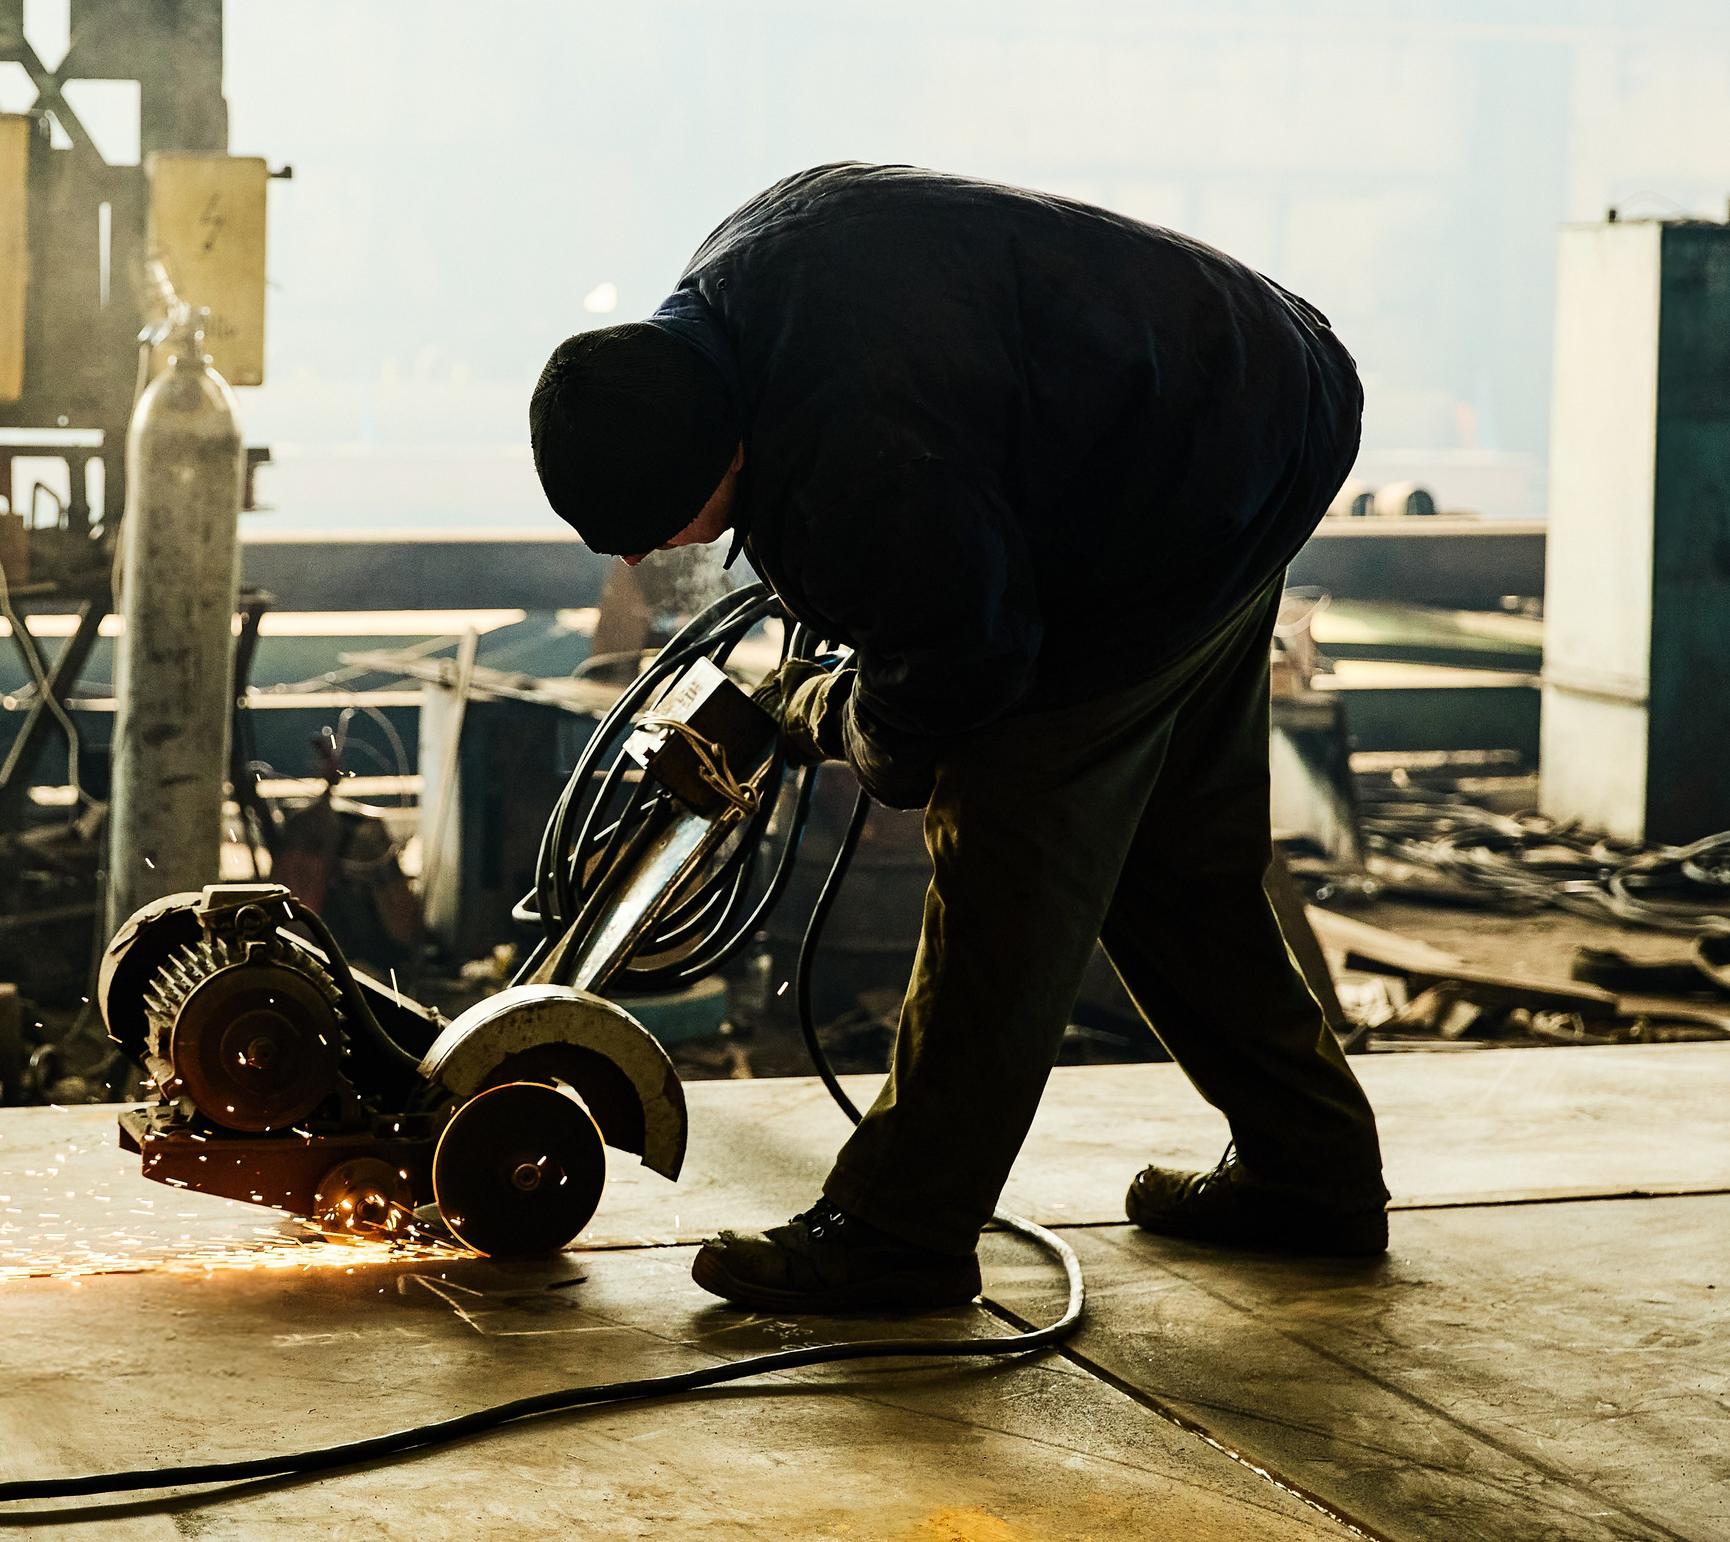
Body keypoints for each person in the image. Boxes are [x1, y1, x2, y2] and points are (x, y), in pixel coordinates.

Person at [528, 163, 1388, 1313]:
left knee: (1008, 853)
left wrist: (828, 714)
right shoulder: (725, 317)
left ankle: (899, 1229)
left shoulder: (853, 438)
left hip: (1195, 469)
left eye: (649, 531)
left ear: (722, 455)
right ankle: (1310, 1173)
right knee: (1169, 862)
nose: (638, 563)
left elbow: (956, 689)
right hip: (1245, 403)